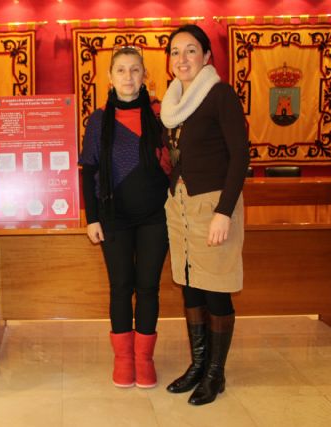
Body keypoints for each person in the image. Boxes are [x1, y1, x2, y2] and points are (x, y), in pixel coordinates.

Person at [160, 24, 249, 405]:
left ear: (207, 56)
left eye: (191, 50)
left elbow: (240, 156)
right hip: (181, 206)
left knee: (216, 288)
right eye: (175, 52)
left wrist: (224, 212)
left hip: (213, 205)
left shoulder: (219, 95)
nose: (182, 59)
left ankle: (215, 374)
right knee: (191, 286)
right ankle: (198, 365)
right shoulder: (173, 102)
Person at [79, 46, 171, 389]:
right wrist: (92, 218)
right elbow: (89, 170)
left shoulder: (161, 114)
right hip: (113, 217)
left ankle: (144, 359)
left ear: (144, 75)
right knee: (120, 287)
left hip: (155, 216)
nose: (128, 77)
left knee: (148, 287)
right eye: (121, 70)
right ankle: (123, 360)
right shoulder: (98, 120)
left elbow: (175, 163)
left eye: (135, 70)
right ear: (110, 76)